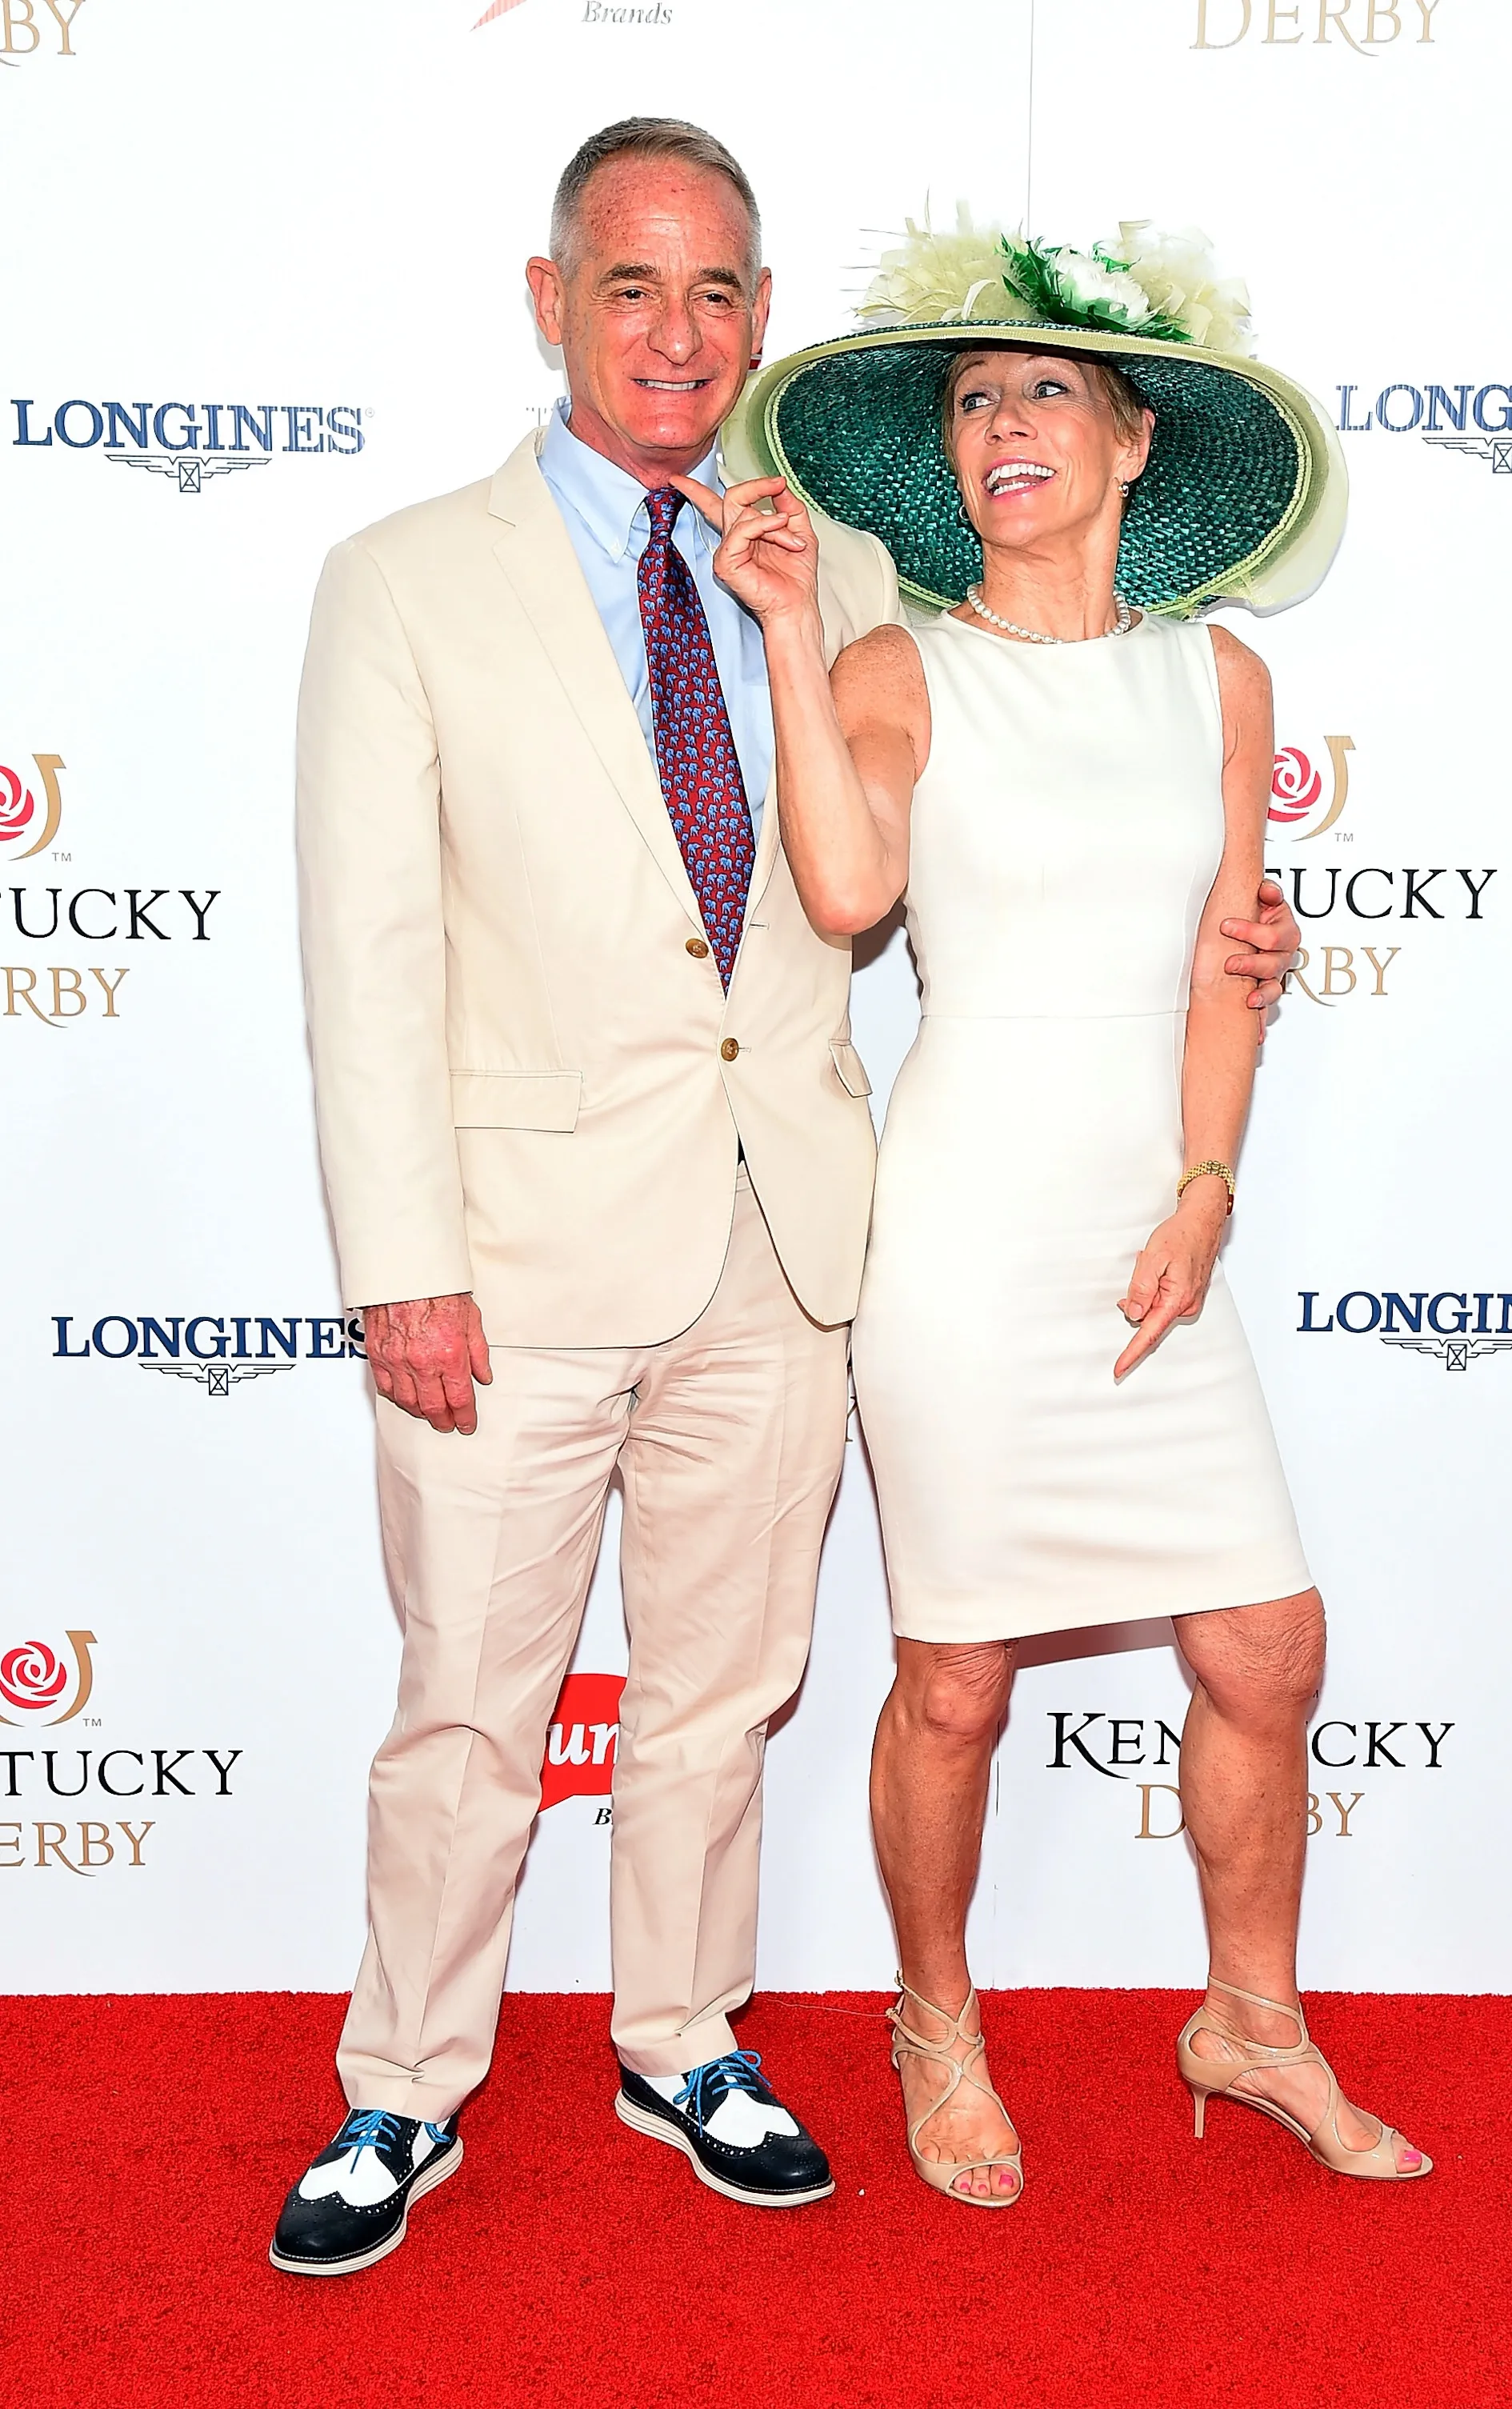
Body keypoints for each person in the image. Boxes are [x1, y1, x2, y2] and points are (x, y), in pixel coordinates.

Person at [273, 137, 1303, 2276]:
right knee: (472, 1693)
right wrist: (402, 1268)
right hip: (520, 1250)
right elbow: (365, 955)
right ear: (548, 300)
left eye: (721, 290)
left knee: (724, 1689)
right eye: (631, 286)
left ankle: (683, 2032)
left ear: (757, 321)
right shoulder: (403, 579)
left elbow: (952, 834)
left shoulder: (842, 565)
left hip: (799, 1236)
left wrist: (1221, 966)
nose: (677, 331)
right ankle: (404, 2086)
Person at [696, 213, 1429, 2206]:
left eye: (1040, 389)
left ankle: (1249, 2017)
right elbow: (848, 895)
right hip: (964, 1226)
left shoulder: (1222, 677)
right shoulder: (889, 661)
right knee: (954, 1671)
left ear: (1127, 443)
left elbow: (1221, 958)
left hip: (1152, 1210)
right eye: (966, 399)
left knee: (1265, 1642)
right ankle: (934, 2019)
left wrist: (1207, 1185)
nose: (997, 421)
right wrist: (777, 631)